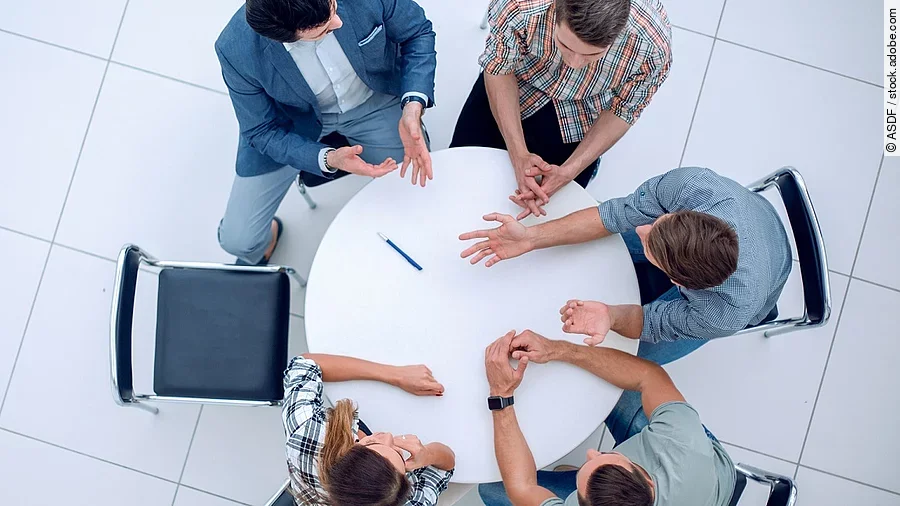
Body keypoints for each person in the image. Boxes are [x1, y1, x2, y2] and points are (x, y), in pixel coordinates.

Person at [459, 167, 792, 368]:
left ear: (677, 281)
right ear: (686, 212)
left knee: (632, 355)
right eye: (660, 222)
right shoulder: (691, 186)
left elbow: (653, 322)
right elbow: (617, 215)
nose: (642, 229)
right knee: (614, 231)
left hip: (766, 279)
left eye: (649, 245)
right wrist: (530, 238)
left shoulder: (725, 313)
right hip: (754, 215)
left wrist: (612, 316)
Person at [215, 0, 438, 265]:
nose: (339, 22)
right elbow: (261, 129)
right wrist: (327, 158)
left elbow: (417, 33)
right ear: (284, 37)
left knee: (415, 188)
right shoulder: (235, 48)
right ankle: (266, 241)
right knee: (238, 241)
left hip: (372, 101)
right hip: (292, 125)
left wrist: (413, 105)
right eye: (323, 29)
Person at [450, 0, 672, 219]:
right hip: (517, 79)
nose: (575, 63)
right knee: (457, 174)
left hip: (584, 108)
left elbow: (623, 110)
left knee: (554, 213)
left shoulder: (653, 48)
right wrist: (519, 154)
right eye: (565, 45)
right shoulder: (518, 5)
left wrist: (570, 171)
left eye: (592, 55)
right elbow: (499, 68)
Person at [480, 329, 738, 506]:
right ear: (647, 478)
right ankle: (581, 479)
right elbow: (649, 376)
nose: (592, 451)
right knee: (608, 380)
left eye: (595, 459)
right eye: (604, 457)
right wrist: (559, 350)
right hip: (707, 475)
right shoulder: (679, 442)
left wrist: (501, 395)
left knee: (491, 489)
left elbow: (522, 488)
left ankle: (582, 479)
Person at [283, 353, 455, 505]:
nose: (388, 435)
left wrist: (395, 375)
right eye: (399, 456)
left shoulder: (306, 435)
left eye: (372, 443)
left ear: (347, 453)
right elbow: (446, 466)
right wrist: (427, 455)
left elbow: (305, 364)